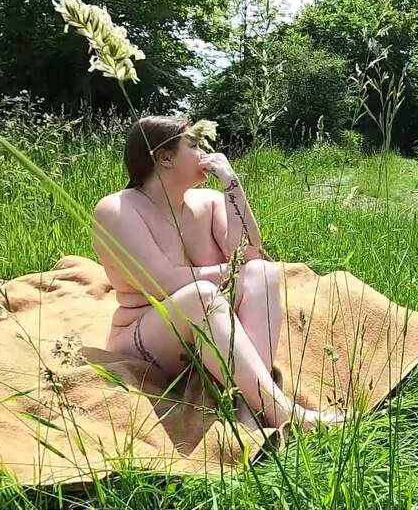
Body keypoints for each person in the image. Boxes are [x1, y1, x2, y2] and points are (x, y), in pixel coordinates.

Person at [92, 115, 342, 430]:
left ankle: (250, 410)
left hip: (212, 332)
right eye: (194, 146)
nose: (206, 153)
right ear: (165, 158)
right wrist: (232, 270)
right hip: (146, 339)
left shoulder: (209, 202)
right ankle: (287, 414)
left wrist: (232, 185)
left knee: (262, 272)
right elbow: (162, 283)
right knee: (202, 295)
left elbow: (249, 254)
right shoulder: (117, 209)